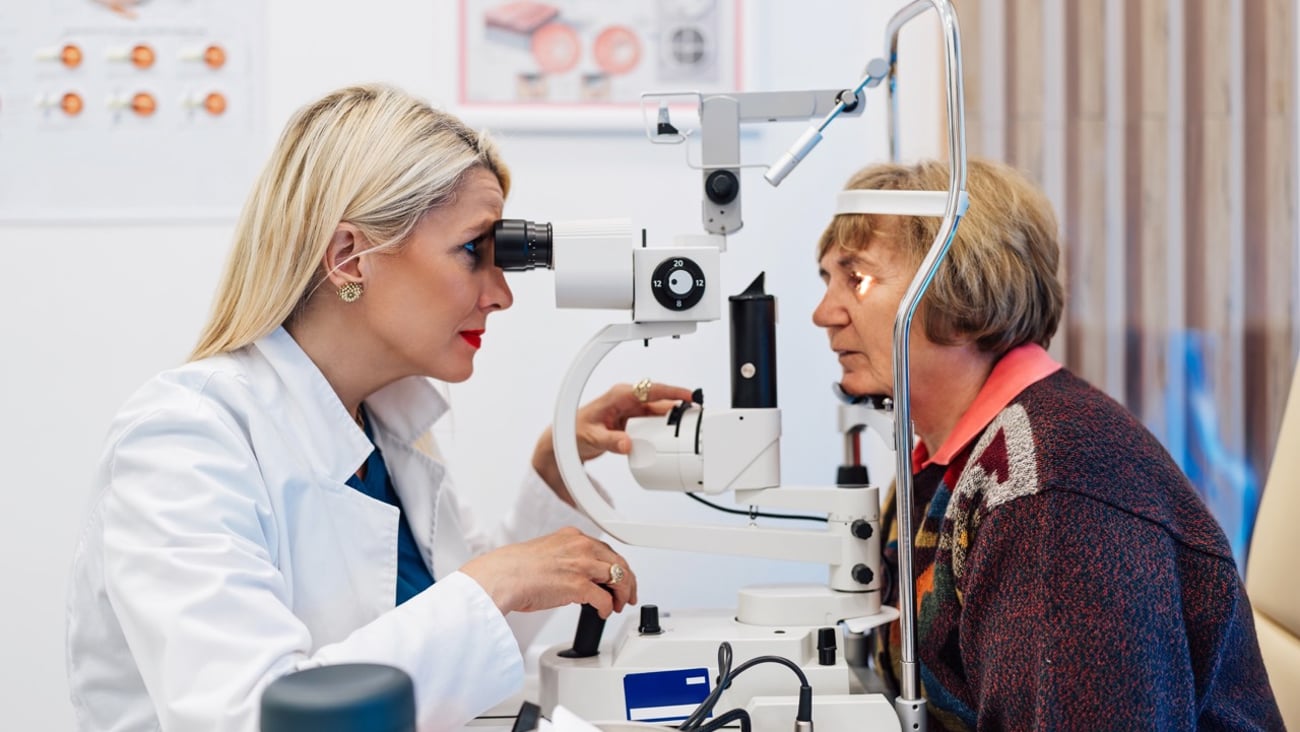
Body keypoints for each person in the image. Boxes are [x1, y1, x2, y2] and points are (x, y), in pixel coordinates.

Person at [66, 83, 692, 732]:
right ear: (348, 258)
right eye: (474, 250)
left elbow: (462, 647)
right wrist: (493, 579)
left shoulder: (385, 424)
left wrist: (552, 475)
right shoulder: (186, 441)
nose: (501, 294)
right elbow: (249, 716)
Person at [812, 158, 1283, 730]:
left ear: (959, 289)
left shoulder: (1052, 496)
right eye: (827, 281)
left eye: (856, 278)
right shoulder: (951, 467)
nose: (823, 314)